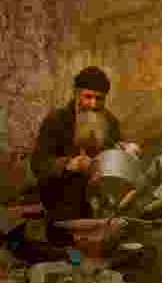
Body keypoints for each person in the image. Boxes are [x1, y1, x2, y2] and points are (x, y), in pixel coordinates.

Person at [30, 67, 138, 226]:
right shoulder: (56, 121)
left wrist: (124, 150)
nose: (93, 104)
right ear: (76, 94)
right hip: (61, 203)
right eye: (88, 97)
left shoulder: (110, 122)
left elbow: (114, 156)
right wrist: (68, 164)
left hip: (100, 203)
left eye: (99, 98)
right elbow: (37, 165)